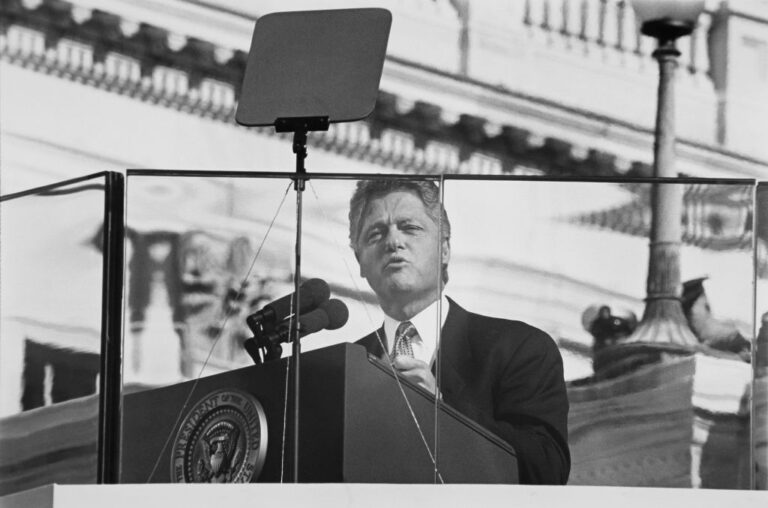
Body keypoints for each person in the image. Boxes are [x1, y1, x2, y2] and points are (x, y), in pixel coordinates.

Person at [348, 179, 570, 485]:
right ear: (359, 259)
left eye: (409, 227)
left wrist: (443, 412)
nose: (393, 242)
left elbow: (545, 469)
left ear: (444, 250)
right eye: (376, 233)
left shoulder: (520, 348)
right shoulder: (346, 369)